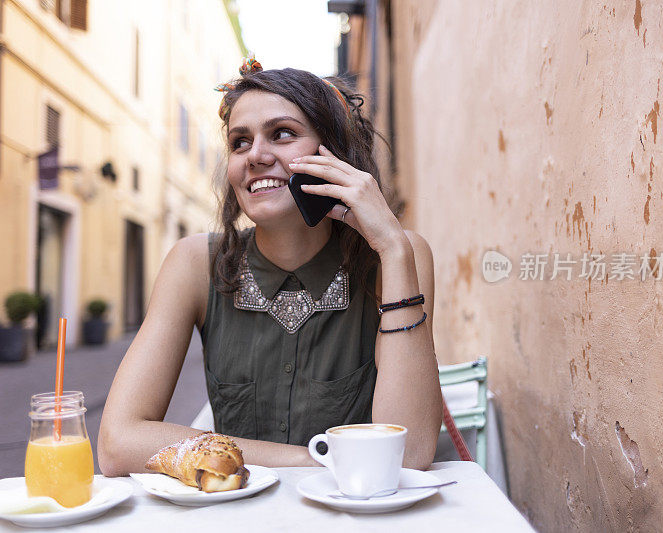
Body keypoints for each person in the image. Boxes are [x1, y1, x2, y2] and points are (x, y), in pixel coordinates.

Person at [98, 57, 442, 474]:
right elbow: (119, 443)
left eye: (282, 134)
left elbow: (410, 454)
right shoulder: (193, 264)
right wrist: (313, 460)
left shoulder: (398, 257)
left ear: (334, 151)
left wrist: (391, 244)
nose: (256, 155)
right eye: (239, 142)